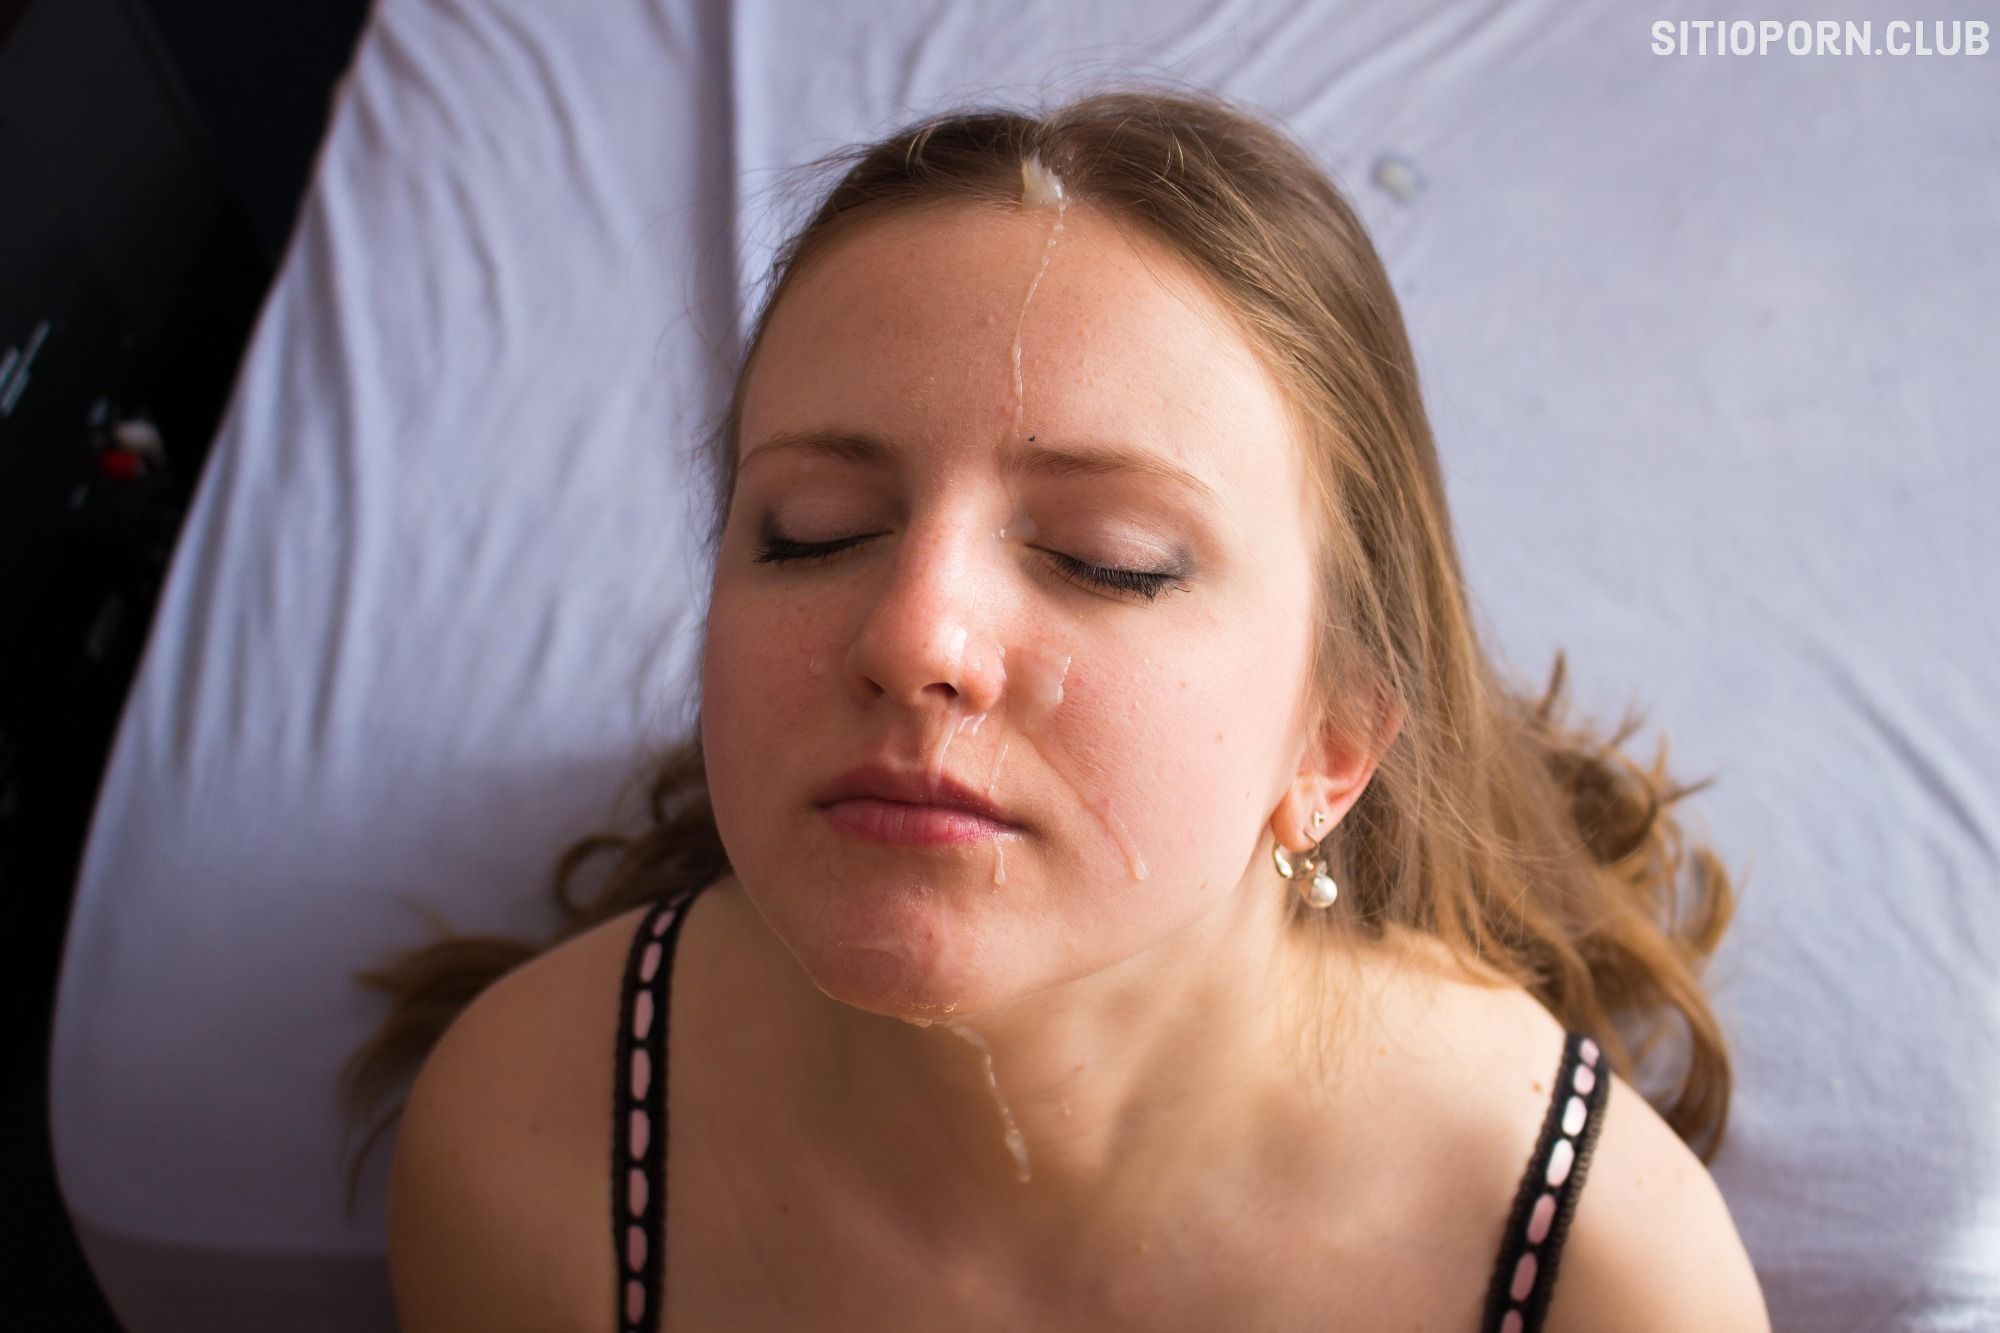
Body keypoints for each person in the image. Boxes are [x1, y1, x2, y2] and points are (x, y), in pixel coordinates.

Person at [345, 88, 1770, 1332]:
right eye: (812, 528)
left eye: (1109, 559)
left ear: (1334, 739)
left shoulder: (1597, 1280)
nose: (914, 635)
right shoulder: (532, 1160)